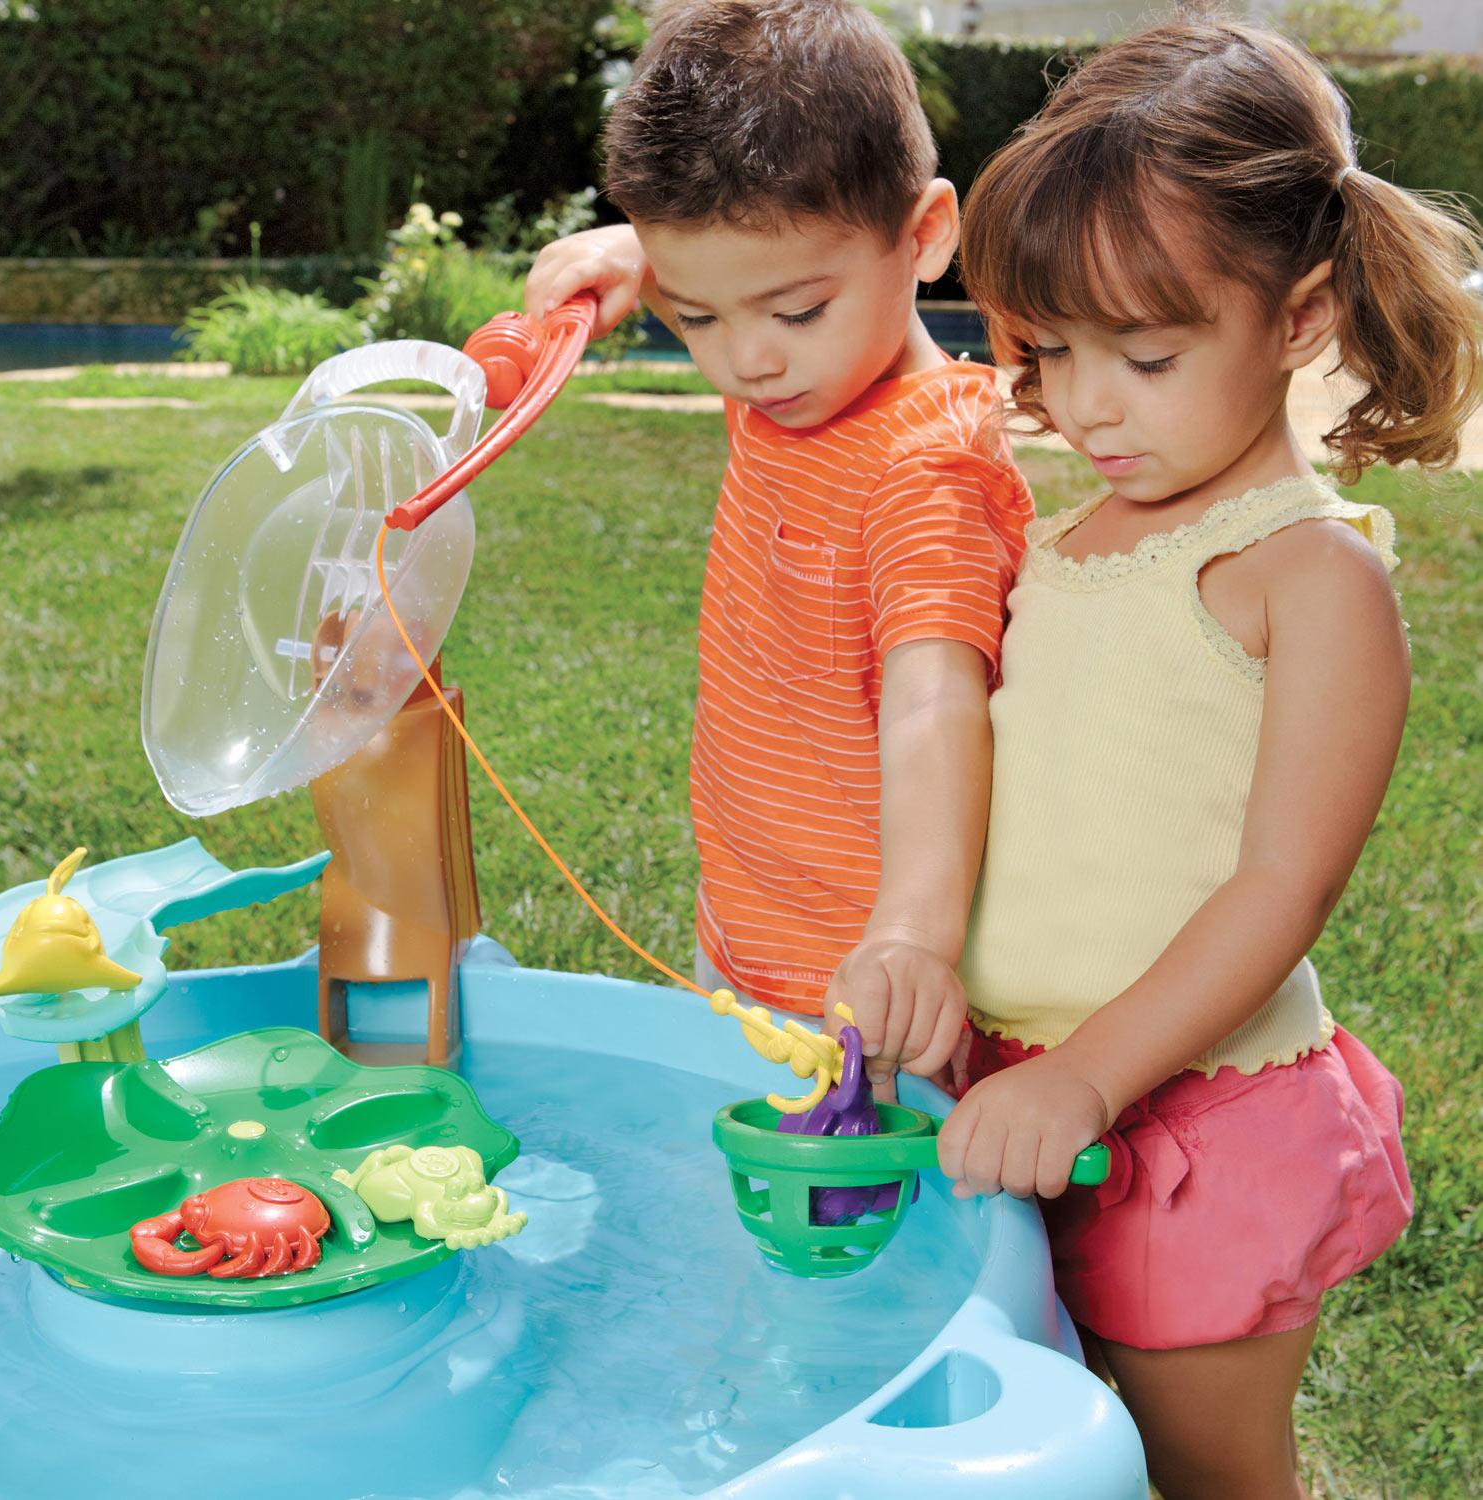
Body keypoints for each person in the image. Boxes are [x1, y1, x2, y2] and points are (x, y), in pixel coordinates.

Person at [913, 22, 1477, 1499]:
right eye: (1054, 352)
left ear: (1294, 318)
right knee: (1051, 1450)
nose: (1089, 404)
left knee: (1205, 1472)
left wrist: (1090, 1079)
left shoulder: (1307, 579)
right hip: (1012, 1091)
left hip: (1192, 1123)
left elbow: (1281, 886)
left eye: (1147, 356)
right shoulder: (1057, 545)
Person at [525, 0, 1032, 1087]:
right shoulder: (800, 376)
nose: (745, 361)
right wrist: (634, 255)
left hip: (870, 992)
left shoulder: (928, 472)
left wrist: (911, 938)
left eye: (793, 311)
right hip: (744, 924)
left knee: (863, 1238)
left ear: (928, 233)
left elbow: (935, 702)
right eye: (697, 317)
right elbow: (737, 267)